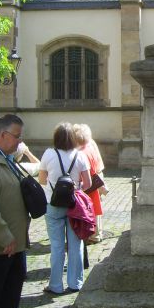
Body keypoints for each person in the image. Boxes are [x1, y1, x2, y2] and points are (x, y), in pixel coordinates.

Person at [38, 123, 91, 295]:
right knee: (76, 245)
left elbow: (42, 180)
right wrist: (75, 187)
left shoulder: (48, 153)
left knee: (57, 246)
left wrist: (56, 186)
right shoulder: (80, 156)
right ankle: (75, 283)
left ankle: (55, 285)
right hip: (74, 205)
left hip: (52, 204)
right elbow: (88, 183)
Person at [0, 114, 29, 308]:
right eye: (17, 136)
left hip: (16, 242)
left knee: (11, 288)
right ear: (2, 135)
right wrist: (4, 235)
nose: (20, 142)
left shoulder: (7, 159)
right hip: (1, 244)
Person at [73, 124, 106, 243]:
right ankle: (97, 233)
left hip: (91, 182)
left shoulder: (82, 152)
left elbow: (86, 171)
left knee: (92, 207)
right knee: (96, 207)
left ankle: (93, 235)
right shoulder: (91, 144)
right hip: (97, 177)